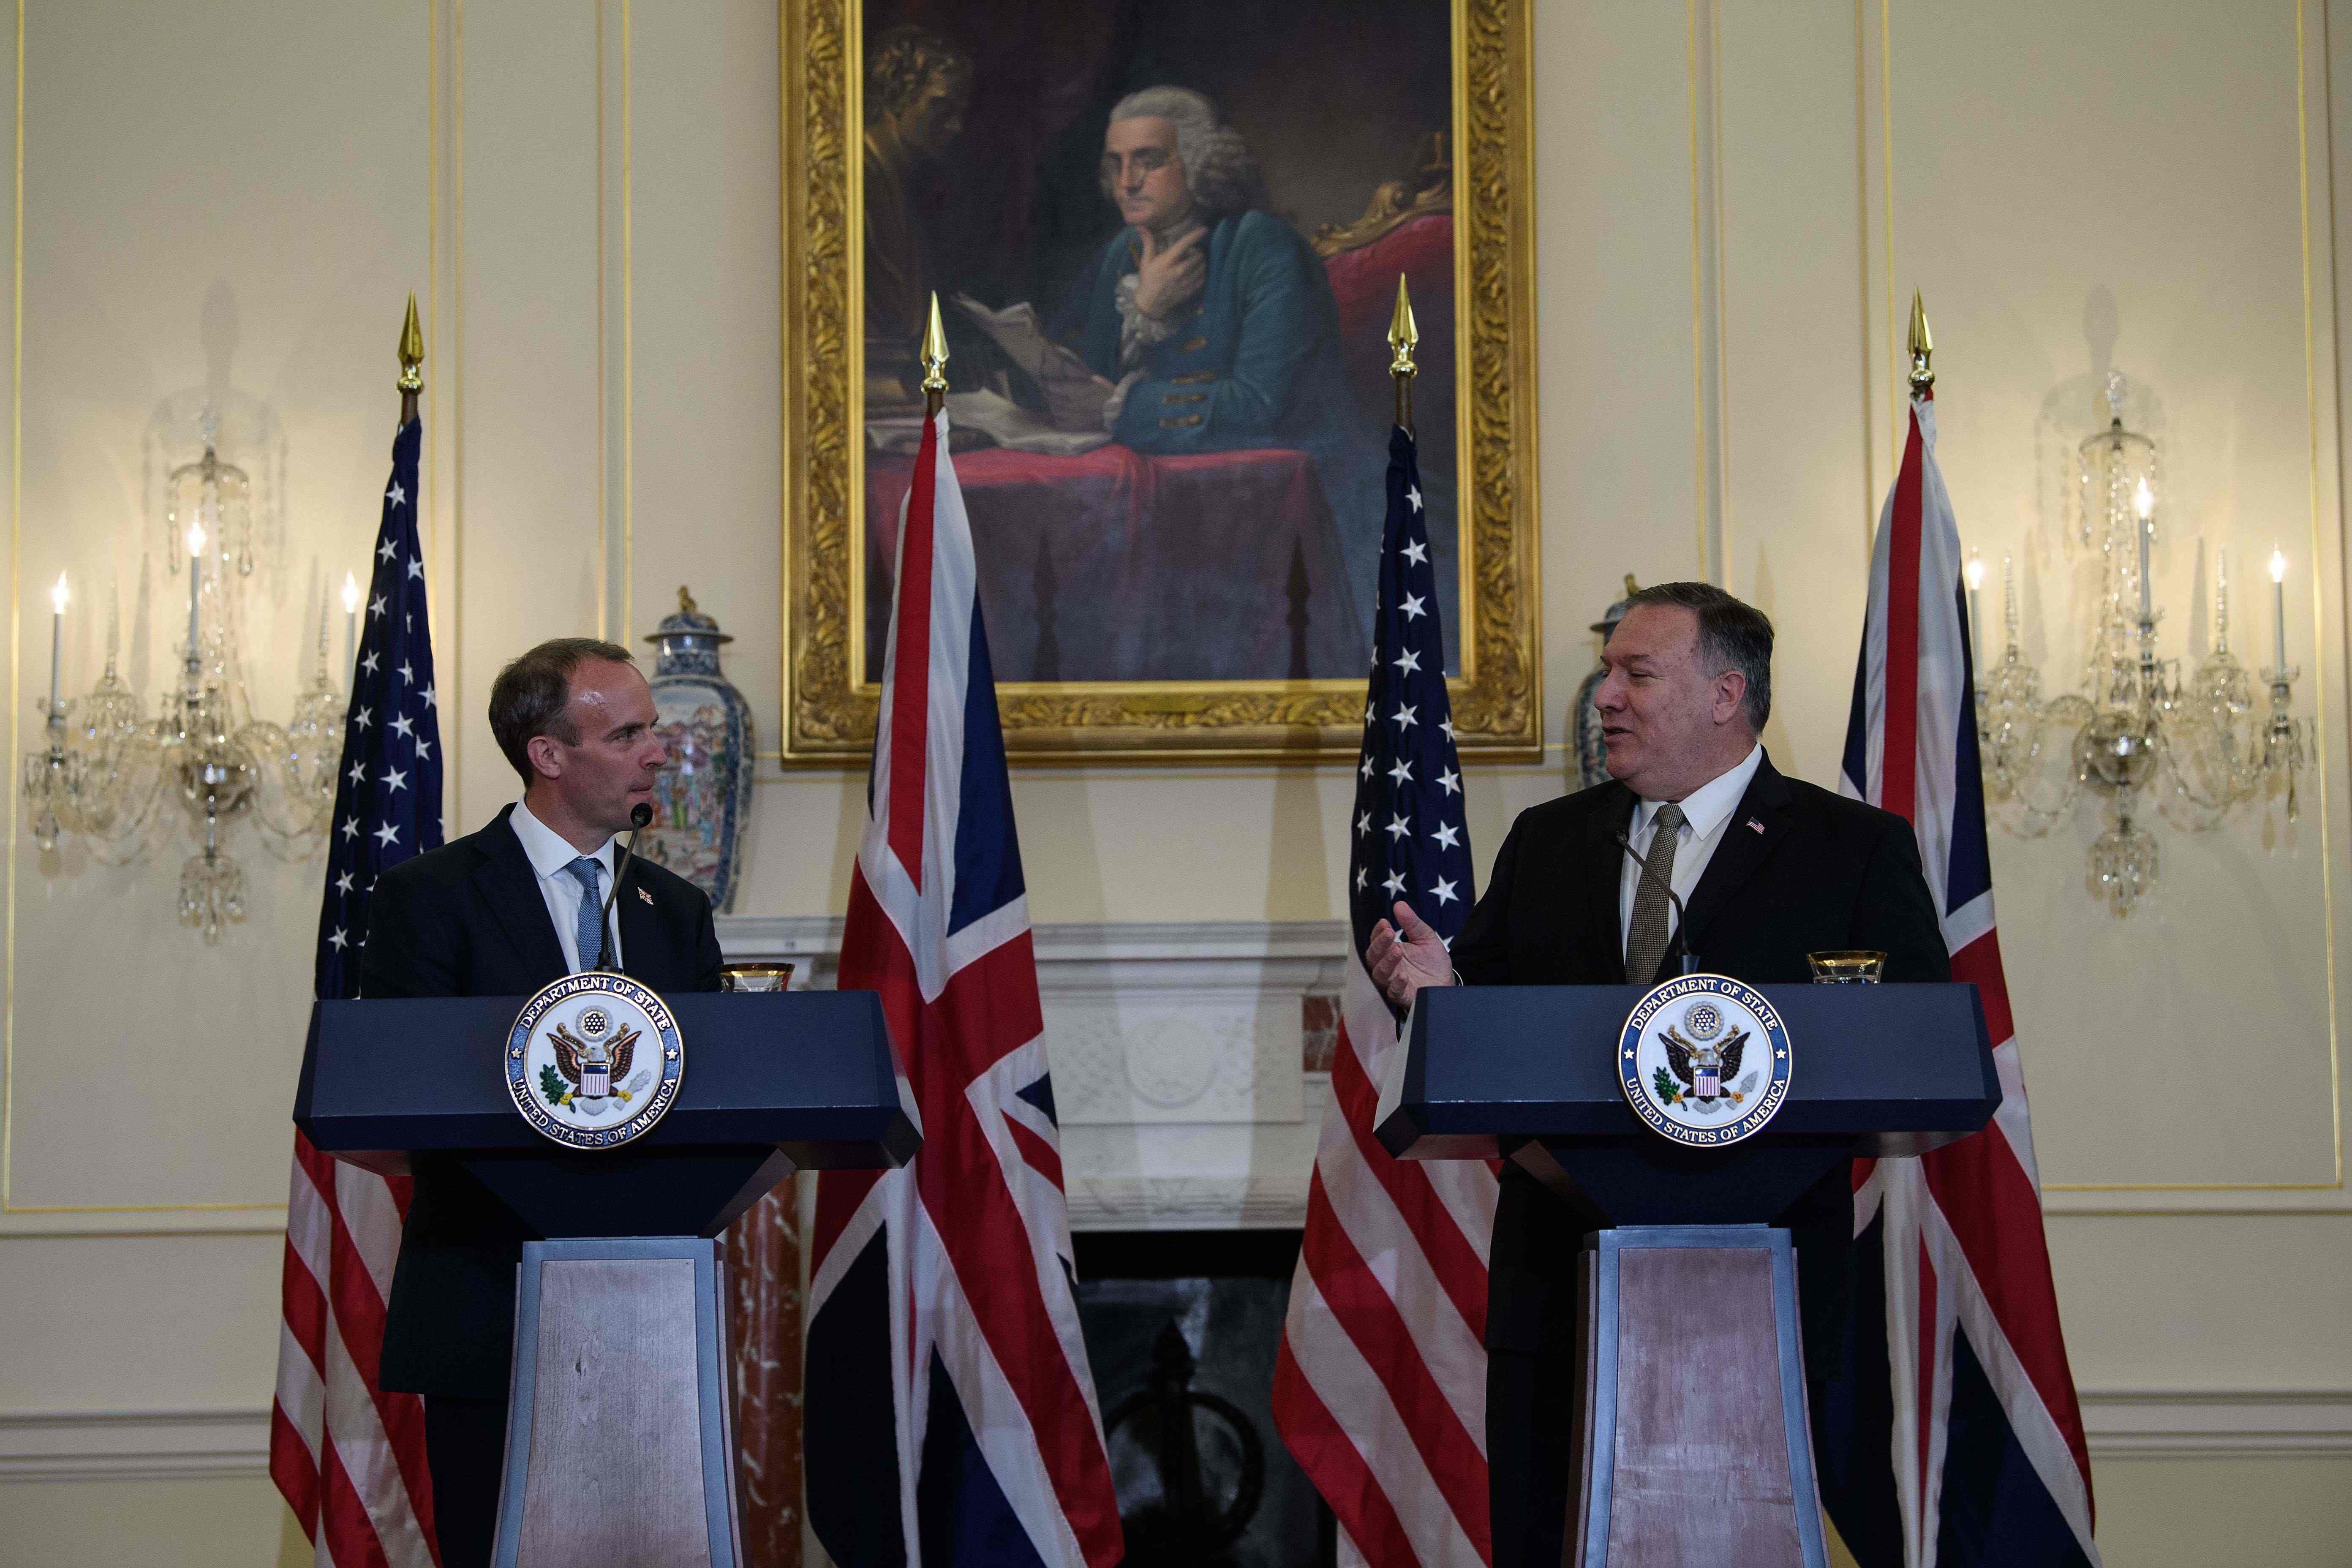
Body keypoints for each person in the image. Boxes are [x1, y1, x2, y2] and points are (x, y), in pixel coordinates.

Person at [1363, 581, 1949, 1568]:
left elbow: (1916, 1044)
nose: (1605, 697)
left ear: (1727, 694)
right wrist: (1435, 997)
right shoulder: (1549, 842)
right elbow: (1488, 1032)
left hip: (1774, 1297)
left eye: (1637, 674)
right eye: (1607, 674)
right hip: (1560, 1293)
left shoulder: (1851, 849)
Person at [359, 637, 724, 1568]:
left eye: (654, 728)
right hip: (487, 1300)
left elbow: (720, 1094)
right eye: (631, 731)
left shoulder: (674, 911)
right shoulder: (429, 898)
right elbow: (402, 1092)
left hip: (650, 1312)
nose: (659, 750)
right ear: (548, 754)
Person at [1054, 85, 1384, 642]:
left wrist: (1122, 406)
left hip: (1313, 510)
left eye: (1149, 161)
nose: (1127, 182)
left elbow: (1257, 407)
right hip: (1181, 507)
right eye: (1117, 165)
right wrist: (1143, 311)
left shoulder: (1262, 247)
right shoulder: (1121, 254)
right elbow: (1082, 380)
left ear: (1200, 163)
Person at [863, 24, 972, 397]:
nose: (956, 128)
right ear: (897, 96)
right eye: (940, 109)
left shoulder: (906, 184)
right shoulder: (857, 180)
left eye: (960, 112)